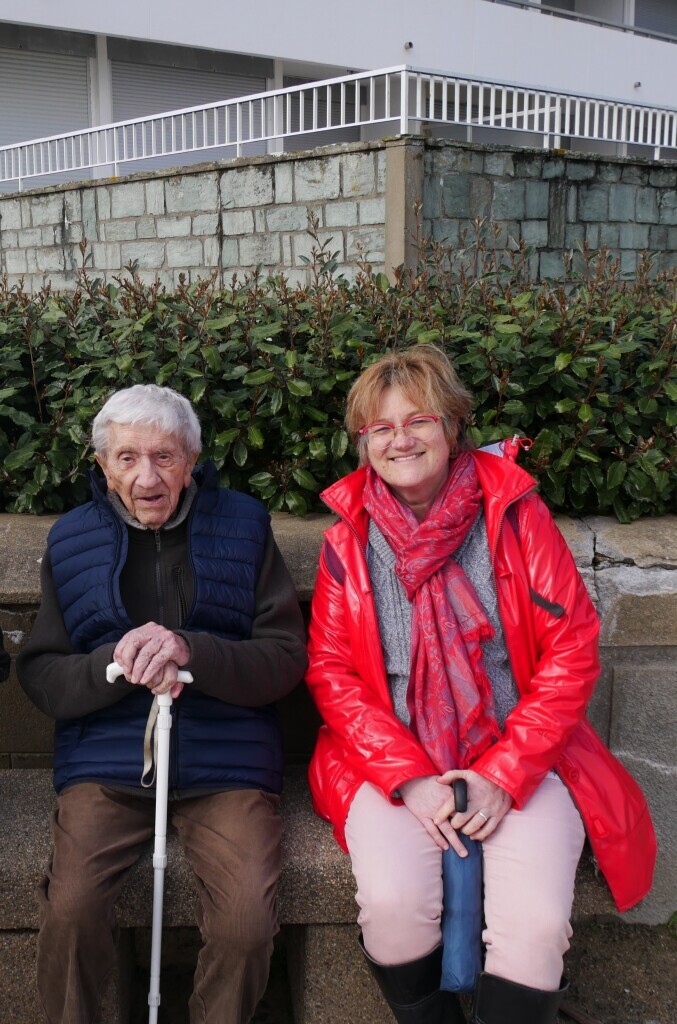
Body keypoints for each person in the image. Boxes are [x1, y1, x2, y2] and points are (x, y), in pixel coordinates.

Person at [305, 346, 656, 1024]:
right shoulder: (346, 543)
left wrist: (505, 771)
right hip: (390, 764)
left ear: (452, 426)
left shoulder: (517, 518)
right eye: (380, 427)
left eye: (419, 420)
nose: (400, 439)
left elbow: (571, 649)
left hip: (521, 756)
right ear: (362, 442)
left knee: (534, 928)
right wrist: (407, 777)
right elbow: (332, 672)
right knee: (392, 910)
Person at [17, 384, 307, 1024]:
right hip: (109, 761)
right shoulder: (70, 540)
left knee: (245, 924)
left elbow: (285, 655)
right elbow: (41, 673)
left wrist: (191, 650)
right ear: (102, 465)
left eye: (165, 457)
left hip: (224, 760)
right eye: (126, 458)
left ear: (192, 456)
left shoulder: (244, 523)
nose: (147, 477)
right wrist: (116, 664)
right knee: (70, 911)